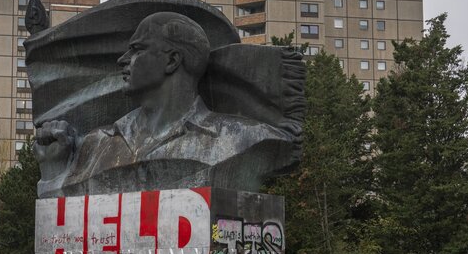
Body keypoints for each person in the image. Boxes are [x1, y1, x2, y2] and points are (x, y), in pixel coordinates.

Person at [33, 12, 296, 197]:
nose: (123, 60)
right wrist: (53, 170)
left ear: (172, 61)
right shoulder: (94, 145)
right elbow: (66, 223)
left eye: (137, 49)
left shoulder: (245, 139)